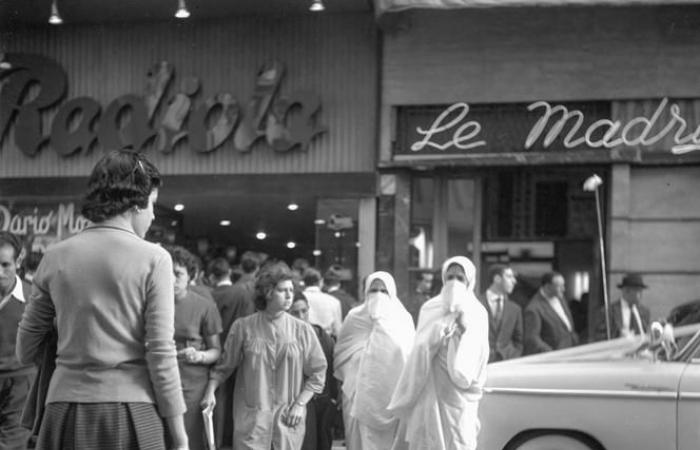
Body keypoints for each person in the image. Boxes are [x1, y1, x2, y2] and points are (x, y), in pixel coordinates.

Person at [16, 150, 188, 450]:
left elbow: (25, 349)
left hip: (62, 411)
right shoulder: (154, 259)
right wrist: (180, 434)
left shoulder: (54, 256)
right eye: (153, 204)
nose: (153, 215)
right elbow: (161, 352)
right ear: (136, 203)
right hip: (133, 410)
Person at [201, 262, 327, 450]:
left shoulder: (302, 330)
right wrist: (210, 391)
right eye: (282, 290)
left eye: (291, 289)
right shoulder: (243, 327)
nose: (289, 295)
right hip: (252, 420)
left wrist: (300, 404)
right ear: (267, 292)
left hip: (288, 419)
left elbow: (318, 372)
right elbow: (224, 367)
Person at [388, 256, 489, 450]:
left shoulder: (477, 312)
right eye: (450, 277)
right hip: (429, 392)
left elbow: (478, 356)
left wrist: (463, 333)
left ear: (470, 281)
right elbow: (417, 349)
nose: (454, 282)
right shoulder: (430, 308)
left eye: (460, 278)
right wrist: (436, 336)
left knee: (459, 441)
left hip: (458, 396)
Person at [334, 271, 415, 450]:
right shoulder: (354, 317)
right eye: (373, 290)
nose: (378, 295)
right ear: (365, 293)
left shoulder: (403, 318)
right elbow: (341, 353)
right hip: (357, 395)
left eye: (383, 291)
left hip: (393, 395)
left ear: (392, 293)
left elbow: (410, 356)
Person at [165, 245, 223, 450]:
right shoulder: (150, 302)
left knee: (189, 440)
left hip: (192, 385)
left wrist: (199, 356)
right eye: (167, 272)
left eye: (178, 273)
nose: (171, 279)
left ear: (191, 276)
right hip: (156, 380)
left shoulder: (204, 306)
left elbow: (216, 351)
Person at [206, 256, 255, 449]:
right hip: (239, 355)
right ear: (230, 273)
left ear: (210, 276)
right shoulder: (242, 294)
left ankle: (215, 443)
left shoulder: (208, 295)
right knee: (237, 404)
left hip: (213, 354)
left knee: (216, 403)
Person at [288, 292, 338, 450]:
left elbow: (329, 372)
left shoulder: (322, 336)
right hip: (292, 402)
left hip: (320, 403)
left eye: (304, 311)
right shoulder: (282, 337)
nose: (301, 316)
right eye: (295, 312)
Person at [0, 232, 34, 450]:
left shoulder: (34, 299)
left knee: (11, 445)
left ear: (18, 261)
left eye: (5, 265)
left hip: (20, 385)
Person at [523, 272, 579, 355]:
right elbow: (532, 338)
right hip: (554, 357)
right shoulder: (533, 308)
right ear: (547, 287)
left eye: (563, 285)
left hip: (570, 351)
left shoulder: (560, 298)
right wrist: (551, 353)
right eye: (559, 286)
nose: (563, 289)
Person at [478, 264, 523, 362]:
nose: (514, 281)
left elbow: (519, 341)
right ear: (497, 279)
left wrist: (514, 356)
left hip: (507, 364)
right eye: (509, 277)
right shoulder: (475, 303)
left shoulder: (515, 309)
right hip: (480, 363)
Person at [595, 273, 651, 340]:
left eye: (641, 291)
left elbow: (646, 332)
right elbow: (600, 336)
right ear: (626, 291)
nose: (641, 295)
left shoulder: (644, 312)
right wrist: (618, 335)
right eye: (638, 290)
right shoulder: (608, 311)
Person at [303, 268, 342, 338]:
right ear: (321, 282)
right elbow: (337, 331)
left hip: (304, 338)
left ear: (304, 282)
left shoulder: (296, 299)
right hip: (326, 341)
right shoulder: (334, 301)